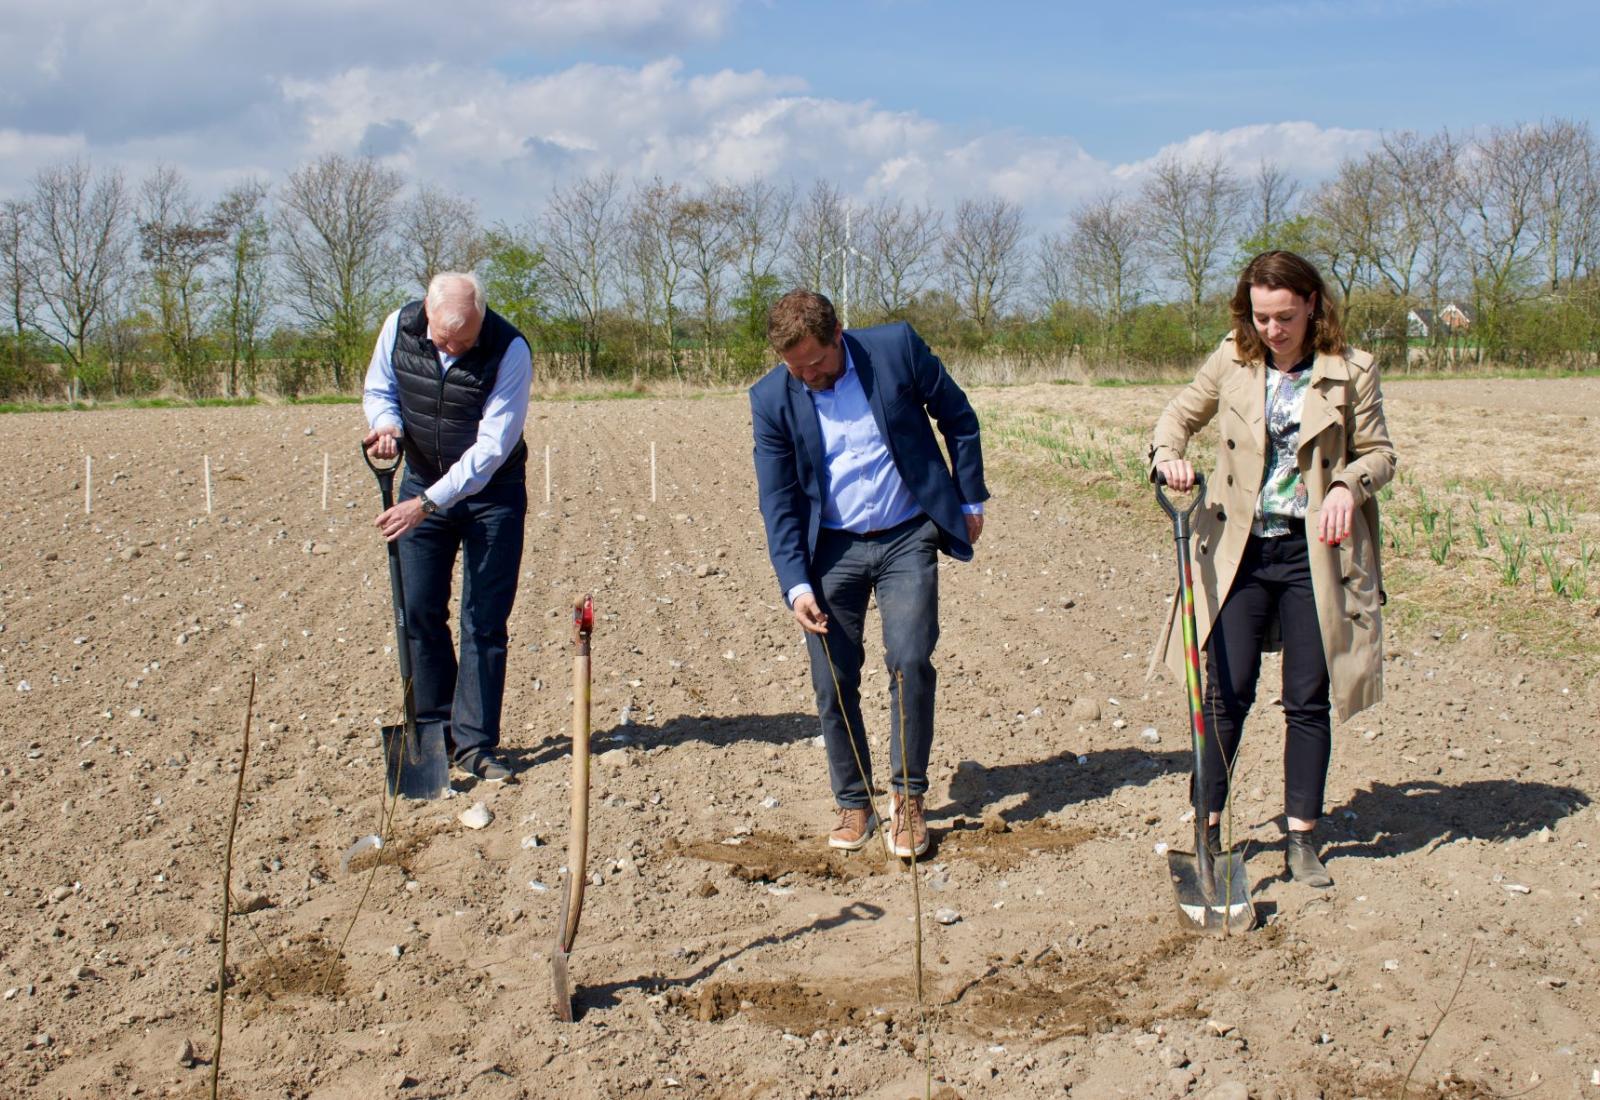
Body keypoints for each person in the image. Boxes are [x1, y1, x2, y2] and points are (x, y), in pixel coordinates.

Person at [1148, 250, 1396, 888]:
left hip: (1313, 554)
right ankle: (1206, 828)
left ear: (1313, 304)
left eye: (1284, 316)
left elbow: (1379, 454)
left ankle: (1302, 838)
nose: (1272, 330)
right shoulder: (1231, 358)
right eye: (1261, 317)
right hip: (1240, 551)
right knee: (1225, 696)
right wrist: (1168, 457)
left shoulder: (1351, 371)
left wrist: (1347, 486)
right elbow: (1176, 416)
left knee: (1306, 700)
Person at [751, 289, 988, 858]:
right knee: (833, 678)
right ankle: (853, 800)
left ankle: (907, 797)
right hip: (831, 549)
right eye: (795, 367)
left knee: (909, 660)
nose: (808, 375)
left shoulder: (895, 349)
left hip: (908, 534)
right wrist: (797, 586)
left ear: (839, 336)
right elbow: (778, 500)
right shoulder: (770, 399)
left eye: (817, 362)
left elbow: (958, 416)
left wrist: (970, 497)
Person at [362, 271, 532, 784]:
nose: (454, 349)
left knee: (483, 618)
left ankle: (475, 743)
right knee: (418, 609)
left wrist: (425, 505)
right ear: (427, 315)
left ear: (482, 318)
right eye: (443, 339)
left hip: (491, 496)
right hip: (421, 477)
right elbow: (379, 388)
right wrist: (387, 423)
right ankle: (434, 731)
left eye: (465, 340)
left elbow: (490, 449)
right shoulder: (399, 326)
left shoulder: (509, 350)